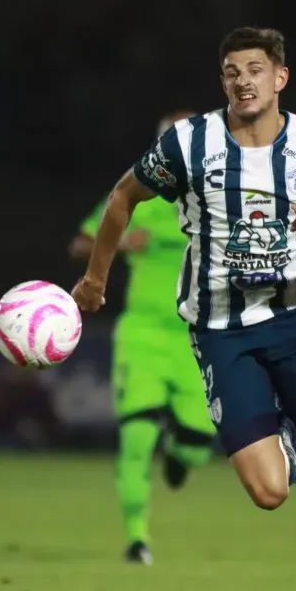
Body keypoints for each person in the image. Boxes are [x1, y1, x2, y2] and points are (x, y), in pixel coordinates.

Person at [72, 27, 296, 591]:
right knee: (267, 494)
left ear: (279, 78)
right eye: (232, 71)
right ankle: (287, 433)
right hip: (222, 330)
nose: (243, 81)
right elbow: (123, 196)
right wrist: (95, 280)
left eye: (255, 69)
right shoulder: (189, 143)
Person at [69, 110, 216, 566]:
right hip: (142, 332)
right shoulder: (136, 196)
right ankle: (137, 537)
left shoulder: (217, 199)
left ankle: (180, 456)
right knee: (136, 437)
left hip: (197, 339)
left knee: (197, 440)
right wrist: (116, 245)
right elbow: (80, 243)